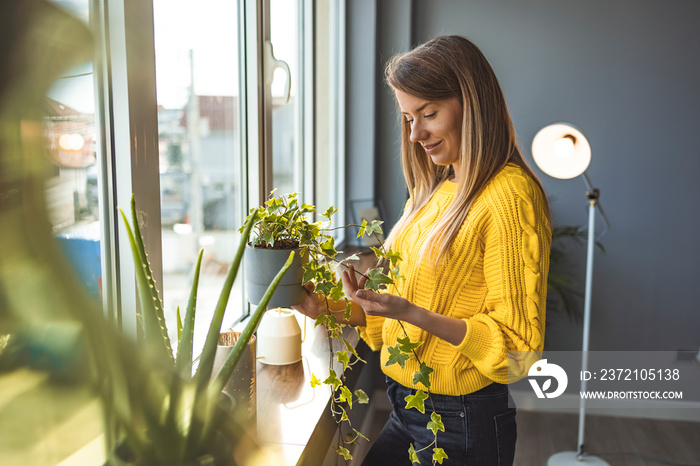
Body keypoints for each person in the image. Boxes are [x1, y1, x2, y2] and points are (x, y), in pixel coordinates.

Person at [293, 35, 551, 465]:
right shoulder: (431, 194)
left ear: (472, 103)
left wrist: (414, 314)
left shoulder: (509, 196)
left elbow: (517, 347)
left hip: (463, 423)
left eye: (428, 114)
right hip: (410, 409)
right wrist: (324, 306)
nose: (415, 134)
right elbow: (385, 322)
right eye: (408, 118)